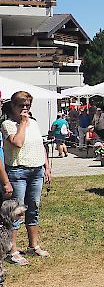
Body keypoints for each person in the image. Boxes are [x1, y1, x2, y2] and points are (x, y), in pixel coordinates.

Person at [1, 91, 52, 265]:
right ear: (13, 106)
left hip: (36, 171)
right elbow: (17, 142)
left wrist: (46, 166)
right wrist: (22, 123)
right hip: (17, 172)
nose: (25, 108)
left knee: (33, 208)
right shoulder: (7, 124)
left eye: (27, 105)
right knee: (16, 212)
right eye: (21, 105)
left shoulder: (35, 123)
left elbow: (40, 145)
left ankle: (33, 245)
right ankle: (12, 250)